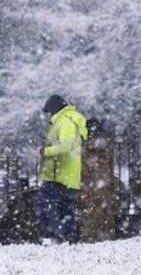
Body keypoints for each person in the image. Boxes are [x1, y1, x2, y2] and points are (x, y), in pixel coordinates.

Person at [35, 94, 87, 244]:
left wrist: (45, 151)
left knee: (45, 203)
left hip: (60, 174)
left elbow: (66, 146)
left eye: (49, 112)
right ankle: (69, 238)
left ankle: (53, 236)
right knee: (65, 208)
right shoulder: (66, 120)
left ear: (54, 109)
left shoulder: (65, 121)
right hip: (66, 174)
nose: (49, 115)